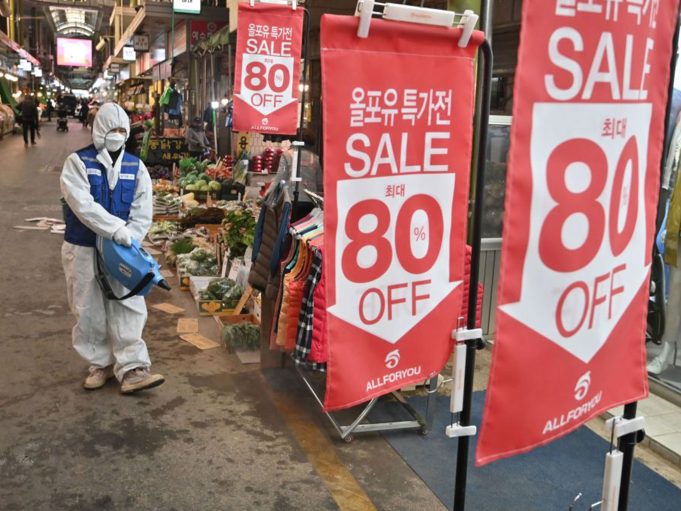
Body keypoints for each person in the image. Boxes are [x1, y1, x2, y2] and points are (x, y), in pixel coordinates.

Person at [60, 102, 165, 394]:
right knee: (87, 306)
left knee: (129, 302)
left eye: (122, 129)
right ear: (99, 129)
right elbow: (82, 205)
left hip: (122, 250)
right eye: (111, 129)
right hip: (83, 247)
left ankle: (133, 368)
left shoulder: (136, 166)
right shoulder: (78, 163)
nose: (117, 134)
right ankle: (100, 364)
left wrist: (130, 237)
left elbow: (143, 208)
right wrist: (115, 229)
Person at [272, 128, 323, 218]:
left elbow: (279, 179)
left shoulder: (287, 155)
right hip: (310, 201)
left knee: (289, 225)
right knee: (303, 225)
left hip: (290, 199)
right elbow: (320, 183)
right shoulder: (315, 158)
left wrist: (268, 196)